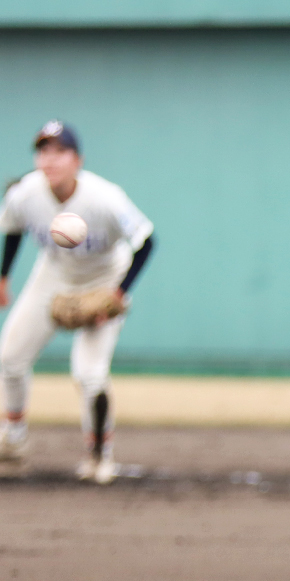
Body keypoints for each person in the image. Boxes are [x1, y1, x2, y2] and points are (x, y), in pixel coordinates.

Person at [0, 121, 155, 483]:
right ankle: (13, 438)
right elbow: (13, 228)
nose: (50, 159)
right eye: (43, 151)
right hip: (53, 275)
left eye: (60, 151)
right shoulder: (25, 193)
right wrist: (3, 276)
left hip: (104, 279)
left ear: (78, 160)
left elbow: (147, 241)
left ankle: (100, 455)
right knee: (9, 358)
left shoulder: (105, 198)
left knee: (89, 374)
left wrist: (118, 293)